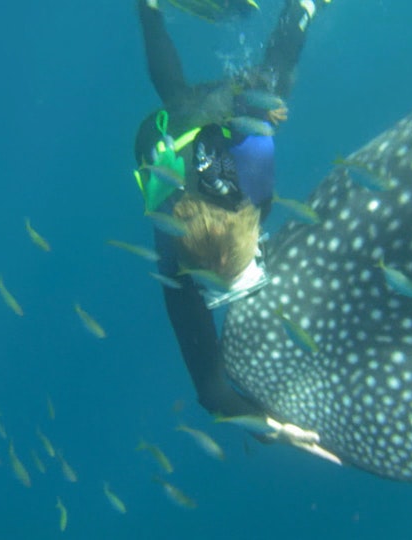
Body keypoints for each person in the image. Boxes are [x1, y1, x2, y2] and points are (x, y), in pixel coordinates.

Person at [133, 0, 329, 417]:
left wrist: (255, 99)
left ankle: (300, 8)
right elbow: (210, 393)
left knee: (269, 89)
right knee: (175, 95)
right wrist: (272, 425)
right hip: (161, 136)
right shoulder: (176, 268)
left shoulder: (253, 172)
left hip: (197, 129)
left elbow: (211, 391)